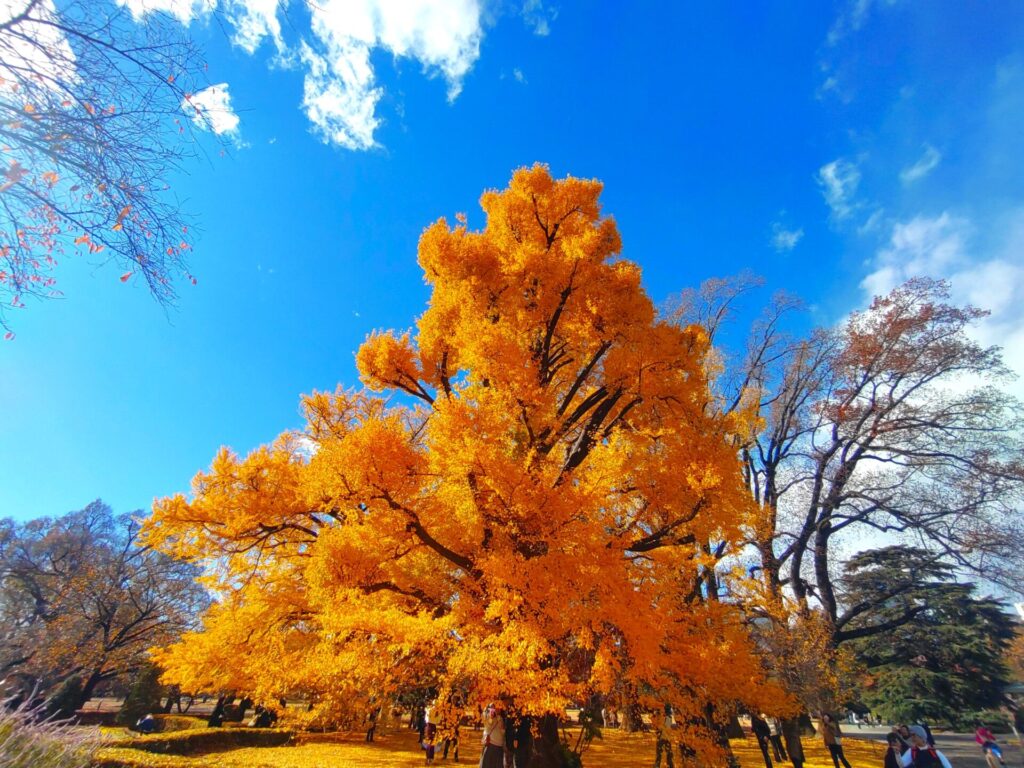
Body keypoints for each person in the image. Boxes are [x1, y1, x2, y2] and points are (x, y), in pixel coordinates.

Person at [480, 702, 506, 768]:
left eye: (494, 708)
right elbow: (488, 725)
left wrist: (502, 728)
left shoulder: (500, 718)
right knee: (487, 765)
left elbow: (503, 732)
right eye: (491, 708)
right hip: (490, 744)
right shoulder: (486, 716)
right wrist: (490, 716)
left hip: (499, 745)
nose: (493, 710)